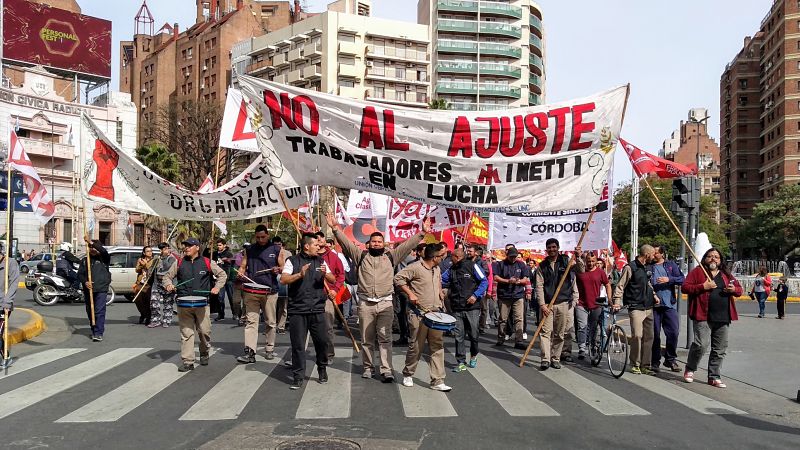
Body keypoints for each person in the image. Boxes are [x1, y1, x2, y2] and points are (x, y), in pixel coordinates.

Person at [327, 212, 428, 383]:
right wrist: (335, 229)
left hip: (385, 304)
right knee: (367, 339)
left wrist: (422, 233)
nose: (376, 244)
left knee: (385, 338)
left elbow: (406, 245)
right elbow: (345, 243)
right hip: (366, 304)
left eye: (379, 242)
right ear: (368, 244)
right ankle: (368, 367)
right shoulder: (361, 256)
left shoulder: (391, 256)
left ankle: (386, 370)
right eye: (373, 242)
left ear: (383, 244)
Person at [280, 233, 335, 390]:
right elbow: (283, 280)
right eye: (316, 245)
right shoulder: (292, 261)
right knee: (298, 345)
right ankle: (298, 376)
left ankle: (322, 368)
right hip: (298, 309)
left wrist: (326, 273)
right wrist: (299, 274)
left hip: (317, 308)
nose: (319, 247)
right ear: (306, 246)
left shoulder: (321, 260)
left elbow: (332, 278)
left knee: (322, 342)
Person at [163, 238, 227, 372]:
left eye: (190, 246)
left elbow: (222, 275)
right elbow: (167, 277)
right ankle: (188, 361)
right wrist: (168, 284)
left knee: (204, 332)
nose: (186, 248)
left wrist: (217, 287)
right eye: (185, 246)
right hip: (183, 303)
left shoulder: (207, 262)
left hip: (202, 304)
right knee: (186, 333)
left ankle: (204, 352)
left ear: (197, 248)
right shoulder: (179, 262)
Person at [682, 247, 742, 388]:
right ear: (705, 258)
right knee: (701, 344)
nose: (713, 259)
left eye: (716, 256)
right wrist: (703, 286)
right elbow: (685, 287)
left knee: (720, 348)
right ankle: (690, 369)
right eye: (710, 256)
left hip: (722, 316)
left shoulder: (726, 274)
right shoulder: (698, 272)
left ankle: (714, 376)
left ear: (720, 260)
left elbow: (739, 290)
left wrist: (734, 290)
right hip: (703, 314)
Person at [395, 242, 452, 391]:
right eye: (441, 255)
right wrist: (410, 293)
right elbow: (398, 279)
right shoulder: (415, 267)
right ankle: (408, 373)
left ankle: (438, 380)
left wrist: (440, 292)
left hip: (436, 312)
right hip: (419, 313)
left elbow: (438, 281)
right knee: (416, 346)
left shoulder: (437, 269)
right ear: (434, 257)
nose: (443, 257)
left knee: (437, 346)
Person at [236, 225, 284, 364]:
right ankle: (250, 352)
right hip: (251, 290)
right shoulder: (249, 249)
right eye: (258, 237)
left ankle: (269, 348)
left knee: (270, 321)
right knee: (251, 321)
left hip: (270, 291)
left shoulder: (276, 249)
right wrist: (240, 273)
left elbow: (283, 268)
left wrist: (278, 269)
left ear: (268, 235)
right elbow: (243, 266)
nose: (260, 239)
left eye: (263, 237)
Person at [612, 244, 657, 375]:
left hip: (648, 306)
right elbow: (620, 286)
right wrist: (616, 301)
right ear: (647, 255)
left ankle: (645, 365)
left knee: (649, 337)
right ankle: (635, 364)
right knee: (637, 336)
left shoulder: (648, 267)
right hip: (635, 307)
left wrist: (654, 295)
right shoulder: (630, 267)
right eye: (653, 254)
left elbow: (647, 283)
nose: (654, 257)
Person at [443, 247, 488, 372]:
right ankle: (461, 362)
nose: (450, 259)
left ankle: (473, 355)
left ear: (457, 256)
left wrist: (475, 295)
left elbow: (484, 281)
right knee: (459, 335)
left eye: (451, 256)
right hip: (457, 307)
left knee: (474, 334)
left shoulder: (473, 266)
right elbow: (441, 279)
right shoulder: (451, 269)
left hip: (472, 308)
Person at [649, 244, 685, 372]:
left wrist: (668, 279)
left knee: (673, 332)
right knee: (655, 335)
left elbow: (682, 279)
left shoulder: (670, 265)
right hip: (653, 306)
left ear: (662, 254)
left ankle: (670, 359)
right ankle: (655, 361)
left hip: (669, 305)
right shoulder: (649, 267)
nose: (653, 255)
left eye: (656, 253)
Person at [574, 251, 611, 360]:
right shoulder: (580, 271)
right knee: (582, 326)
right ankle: (582, 348)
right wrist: (577, 255)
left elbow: (608, 284)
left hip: (596, 304)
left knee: (594, 328)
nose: (590, 263)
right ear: (585, 261)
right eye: (588, 261)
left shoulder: (600, 272)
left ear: (596, 261)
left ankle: (593, 346)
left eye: (593, 261)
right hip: (581, 303)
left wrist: (610, 299)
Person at [493, 247, 531, 350]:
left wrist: (518, 281)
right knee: (503, 319)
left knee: (519, 318)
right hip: (504, 295)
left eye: (515, 256)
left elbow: (525, 279)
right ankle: (500, 338)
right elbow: (496, 277)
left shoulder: (521, 264)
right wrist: (508, 281)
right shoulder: (500, 264)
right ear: (507, 255)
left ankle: (519, 340)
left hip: (518, 295)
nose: (513, 258)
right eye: (511, 256)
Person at [316, 231, 345, 361]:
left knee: (327, 327)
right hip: (310, 296)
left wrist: (335, 290)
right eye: (316, 237)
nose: (319, 239)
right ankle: (300, 356)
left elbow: (341, 275)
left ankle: (329, 354)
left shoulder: (333, 257)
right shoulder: (309, 256)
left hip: (327, 296)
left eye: (321, 237)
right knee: (305, 328)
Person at [77, 236, 111, 342]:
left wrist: (90, 242)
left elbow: (103, 251)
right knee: (90, 310)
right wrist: (85, 282)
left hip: (101, 288)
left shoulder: (104, 258)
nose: (93, 249)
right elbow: (80, 275)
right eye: (90, 247)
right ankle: (93, 329)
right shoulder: (85, 260)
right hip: (89, 290)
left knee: (99, 311)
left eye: (94, 247)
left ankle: (98, 332)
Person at [393, 244, 422, 346]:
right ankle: (407, 336)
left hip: (404, 289)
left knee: (404, 313)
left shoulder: (409, 259)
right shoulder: (410, 259)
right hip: (403, 289)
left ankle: (406, 336)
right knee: (404, 313)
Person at [149, 242, 177, 328]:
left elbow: (167, 267)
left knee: (167, 303)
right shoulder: (157, 258)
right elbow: (151, 269)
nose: (163, 251)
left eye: (165, 249)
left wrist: (163, 258)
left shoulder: (172, 258)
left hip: (167, 283)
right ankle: (155, 320)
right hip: (157, 283)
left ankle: (167, 320)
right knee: (154, 302)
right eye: (161, 249)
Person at [1, 246, 20, 365]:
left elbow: (14, 283)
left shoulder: (11, 263)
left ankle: (5, 357)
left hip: (3, 304)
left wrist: (7, 302)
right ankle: (5, 355)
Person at [211, 238, 236, 322]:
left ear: (224, 245)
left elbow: (233, 261)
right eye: (217, 245)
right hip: (219, 279)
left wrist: (227, 260)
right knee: (220, 297)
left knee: (231, 297)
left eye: (220, 245)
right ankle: (221, 314)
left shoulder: (229, 253)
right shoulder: (214, 254)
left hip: (228, 279)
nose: (218, 247)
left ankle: (235, 314)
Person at [134, 246, 155, 325]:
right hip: (141, 282)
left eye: (151, 251)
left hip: (149, 283)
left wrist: (146, 264)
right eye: (148, 251)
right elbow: (137, 270)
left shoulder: (154, 260)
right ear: (144, 253)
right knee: (138, 300)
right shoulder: (141, 260)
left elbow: (152, 270)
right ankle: (143, 314)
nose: (150, 252)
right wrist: (141, 265)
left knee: (148, 301)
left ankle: (148, 317)